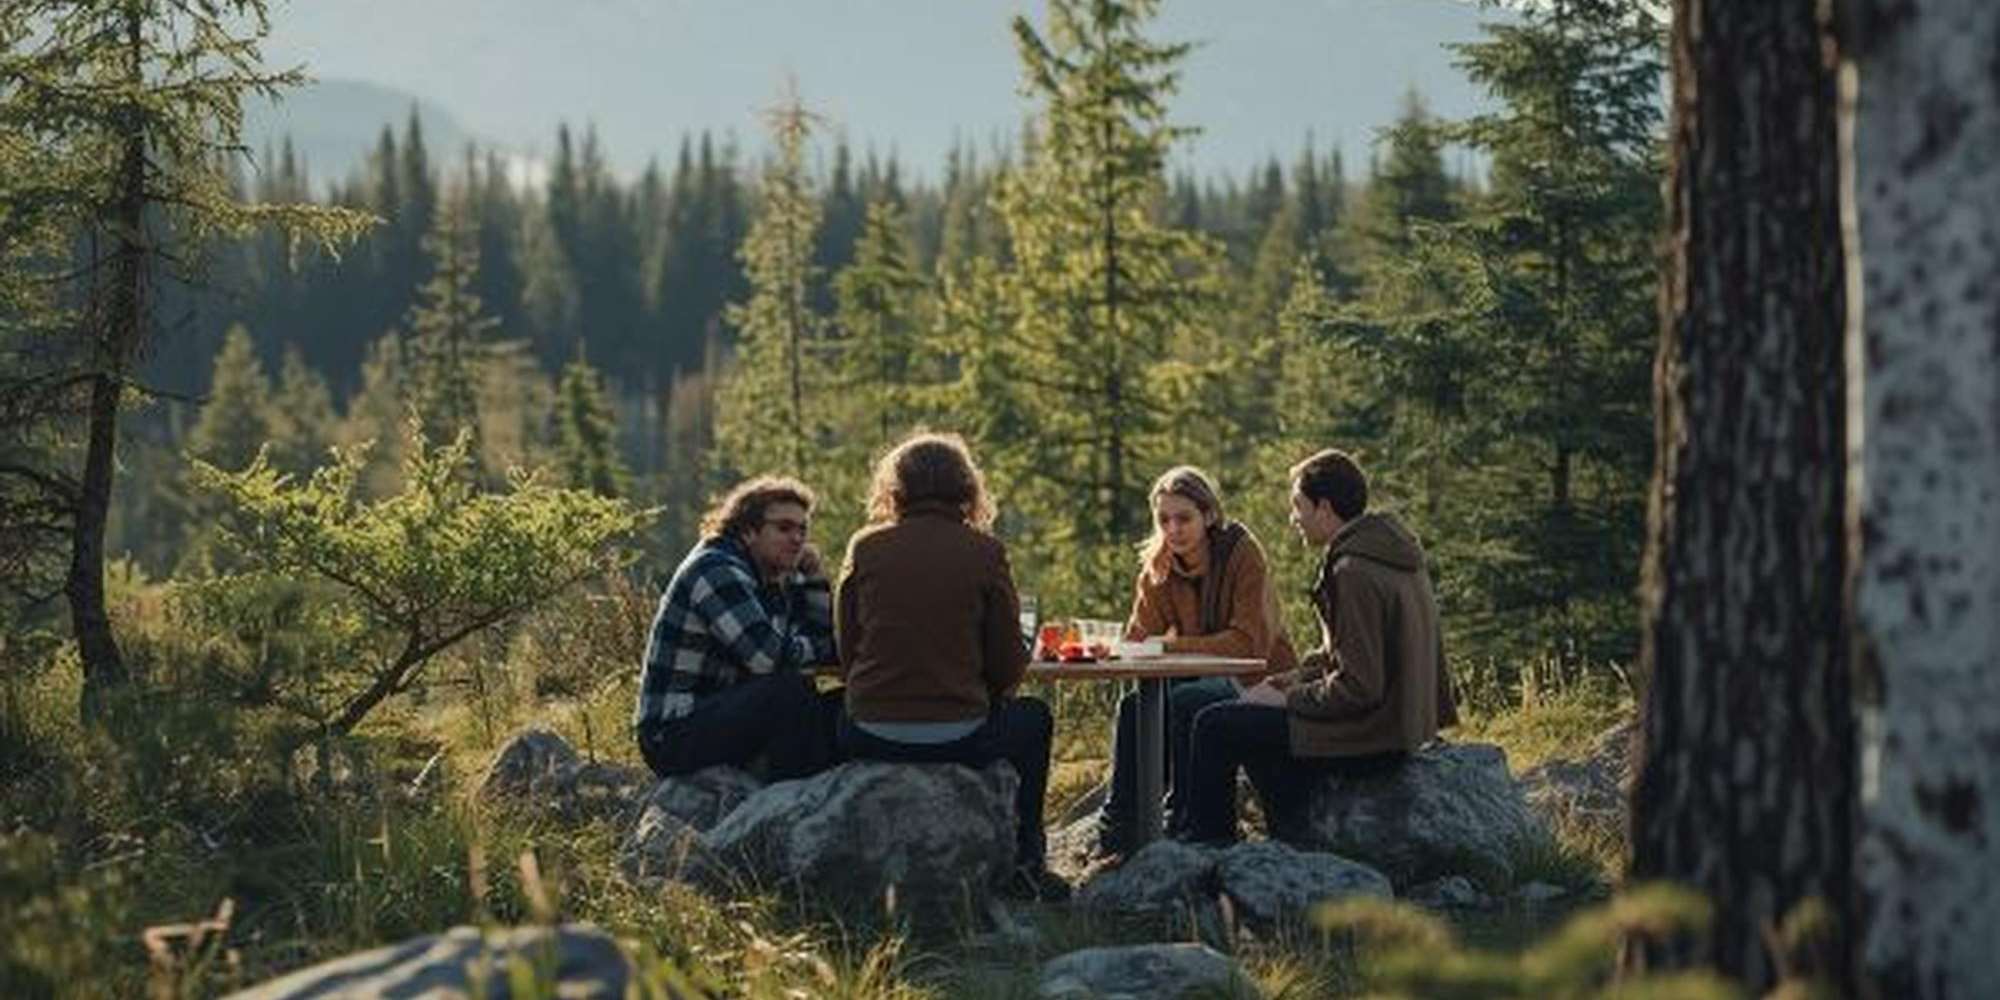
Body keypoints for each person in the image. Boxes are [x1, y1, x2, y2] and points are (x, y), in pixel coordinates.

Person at [834, 432, 1070, 901]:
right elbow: (1008, 666)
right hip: (961, 734)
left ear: (895, 488)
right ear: (967, 488)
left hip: (870, 731)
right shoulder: (985, 552)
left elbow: (848, 651)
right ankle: (1026, 862)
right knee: (1034, 719)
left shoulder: (865, 547)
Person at [1181, 448, 1458, 845]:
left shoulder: (1353, 572)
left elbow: (1360, 687)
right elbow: (1344, 656)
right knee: (1245, 715)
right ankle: (1293, 827)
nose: (1293, 518)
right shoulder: (1386, 551)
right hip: (1400, 724)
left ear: (1324, 508)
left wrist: (1289, 699)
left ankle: (1210, 846)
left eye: (1298, 506)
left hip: (1373, 735)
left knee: (1215, 725)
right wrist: (1287, 681)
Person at [1093, 465, 1299, 855]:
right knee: (1136, 706)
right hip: (1194, 677)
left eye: (1183, 518)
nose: (1173, 529)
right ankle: (1121, 825)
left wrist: (1166, 647)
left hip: (1260, 681)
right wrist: (1115, 649)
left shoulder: (1242, 554)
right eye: (1164, 520)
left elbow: (1247, 645)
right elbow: (1139, 639)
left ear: (1209, 515)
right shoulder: (1159, 567)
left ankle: (1185, 821)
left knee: (1187, 700)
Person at [633, 476, 842, 781]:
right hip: (671, 734)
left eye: (802, 529)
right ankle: (789, 803)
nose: (798, 539)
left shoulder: (773, 577)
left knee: (838, 705)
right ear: (748, 531)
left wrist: (814, 580)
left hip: (720, 712)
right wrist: (824, 652)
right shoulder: (716, 569)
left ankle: (816, 793)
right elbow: (767, 659)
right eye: (784, 528)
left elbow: (818, 640)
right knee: (790, 691)